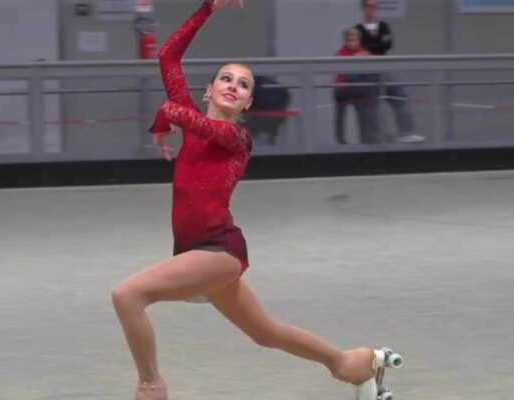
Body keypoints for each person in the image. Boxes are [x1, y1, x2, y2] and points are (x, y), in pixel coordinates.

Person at [112, 1, 384, 399]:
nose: (232, 86)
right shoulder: (195, 124)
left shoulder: (238, 139)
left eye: (243, 85)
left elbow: (183, 115)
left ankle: (151, 386)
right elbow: (168, 56)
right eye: (225, 78)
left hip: (219, 249)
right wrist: (209, 8)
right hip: (194, 250)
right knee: (266, 333)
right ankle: (348, 363)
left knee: (128, 296)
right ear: (209, 89)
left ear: (248, 103)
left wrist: (163, 117)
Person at [355, 0, 425, 143]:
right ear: (363, 8)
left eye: (374, 6)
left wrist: (369, 48)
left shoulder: (384, 26)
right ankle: (375, 136)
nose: (371, 9)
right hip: (368, 73)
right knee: (373, 106)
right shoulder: (357, 29)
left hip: (385, 68)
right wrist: (377, 45)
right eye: (368, 6)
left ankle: (407, 132)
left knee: (400, 96)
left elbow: (388, 44)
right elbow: (364, 46)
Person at [333, 28, 381, 144]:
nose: (352, 43)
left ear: (359, 40)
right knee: (340, 117)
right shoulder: (341, 53)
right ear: (345, 41)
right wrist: (356, 57)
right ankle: (340, 140)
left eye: (355, 40)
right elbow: (341, 66)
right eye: (349, 40)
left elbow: (373, 68)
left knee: (363, 116)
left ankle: (365, 139)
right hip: (342, 89)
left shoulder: (365, 52)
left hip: (360, 89)